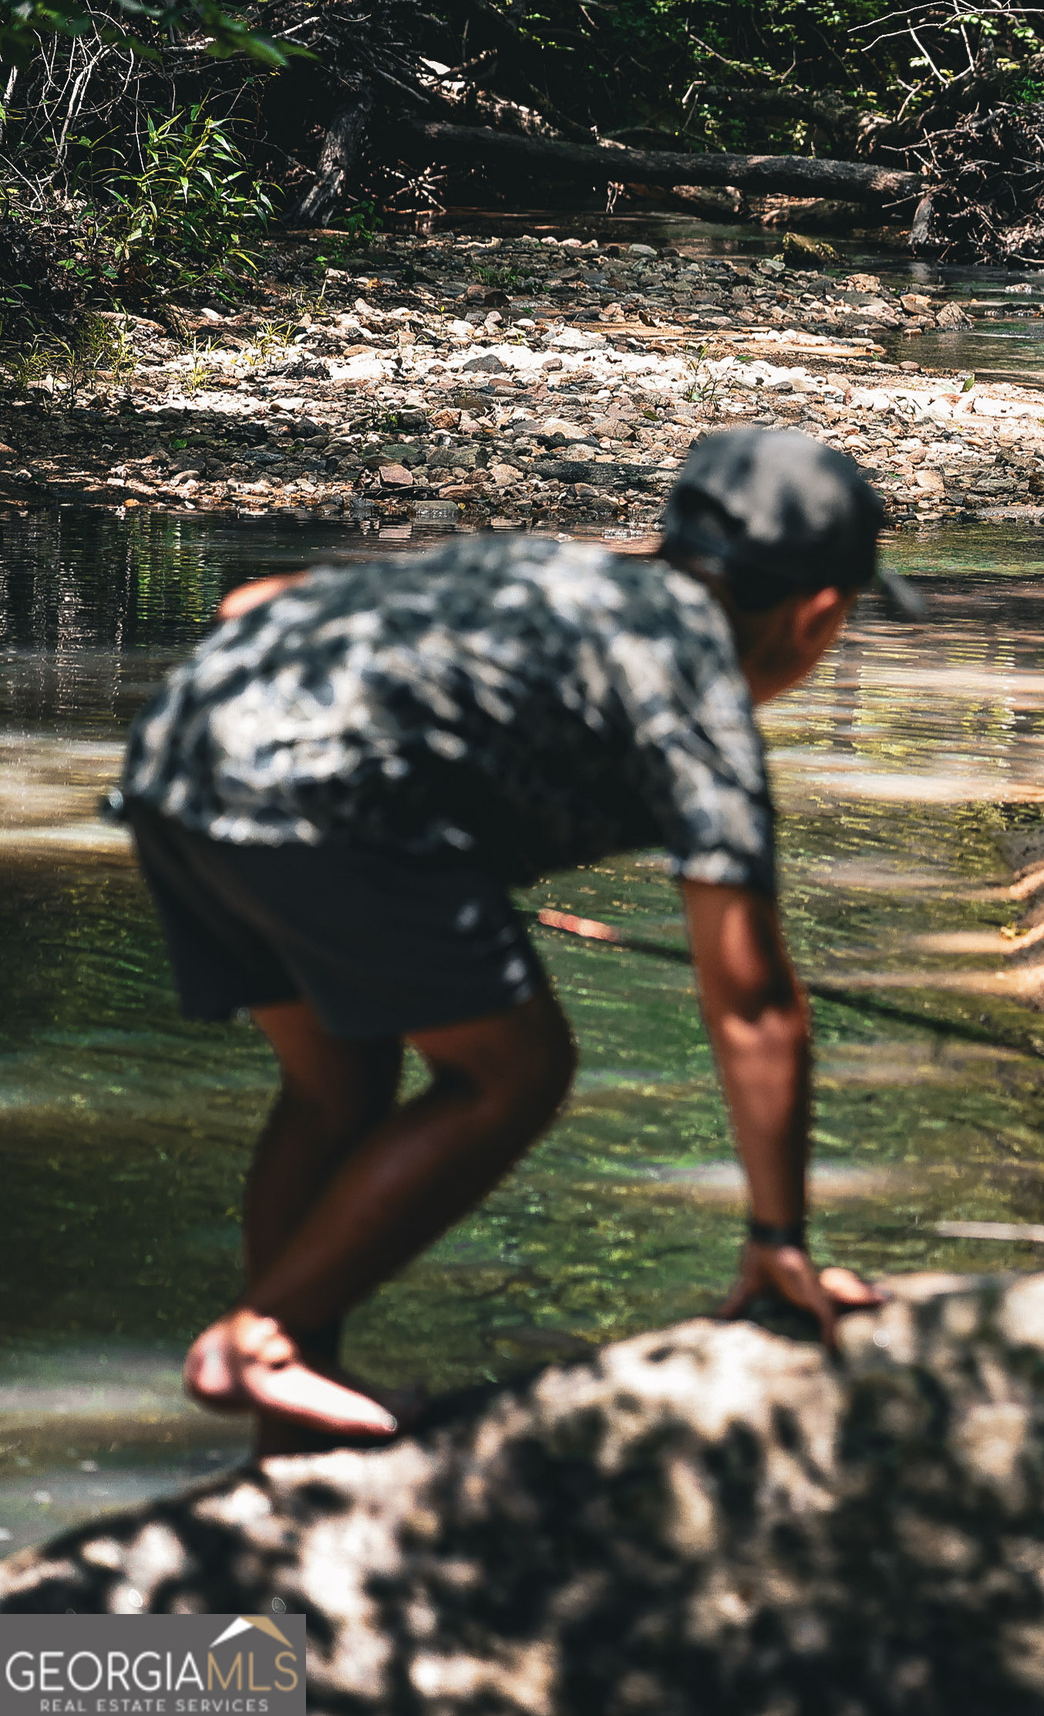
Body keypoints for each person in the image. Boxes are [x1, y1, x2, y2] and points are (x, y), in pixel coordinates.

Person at [109, 426, 923, 1449]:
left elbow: (251, 605)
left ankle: (295, 1393)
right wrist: (777, 1236)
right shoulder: (701, 696)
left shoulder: (549, 574)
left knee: (339, 1086)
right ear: (816, 616)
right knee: (517, 1070)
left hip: (179, 756)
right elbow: (751, 1000)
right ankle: (263, 1341)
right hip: (319, 802)